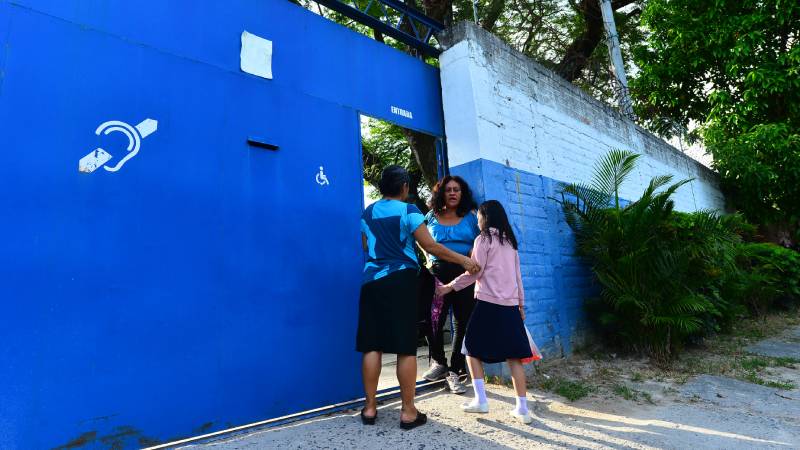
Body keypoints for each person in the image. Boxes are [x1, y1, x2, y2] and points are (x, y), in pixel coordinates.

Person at [357, 165, 480, 430]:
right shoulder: (408, 211)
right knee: (404, 347)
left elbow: (366, 246)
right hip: (400, 281)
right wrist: (464, 260)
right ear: (404, 187)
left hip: (371, 281)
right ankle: (408, 412)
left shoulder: (368, 212)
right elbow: (431, 246)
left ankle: (369, 408)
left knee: (372, 345)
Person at [436, 200, 534, 424]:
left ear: (485, 217)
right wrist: (521, 306)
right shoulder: (510, 243)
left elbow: (474, 272)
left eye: (479, 217)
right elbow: (518, 278)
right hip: (510, 306)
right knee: (514, 357)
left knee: (470, 349)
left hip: (488, 304)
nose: (477, 221)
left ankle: (481, 400)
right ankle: (523, 410)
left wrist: (449, 287)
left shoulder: (483, 239)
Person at [418, 176, 480, 395]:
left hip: (464, 272)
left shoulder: (472, 218)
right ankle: (439, 362)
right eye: (448, 190)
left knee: (463, 321)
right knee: (432, 320)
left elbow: (480, 243)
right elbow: (421, 237)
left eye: (457, 190)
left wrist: (473, 256)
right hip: (438, 273)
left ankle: (455, 371)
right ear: (441, 194)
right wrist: (427, 256)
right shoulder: (431, 217)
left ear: (462, 194)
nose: (453, 193)